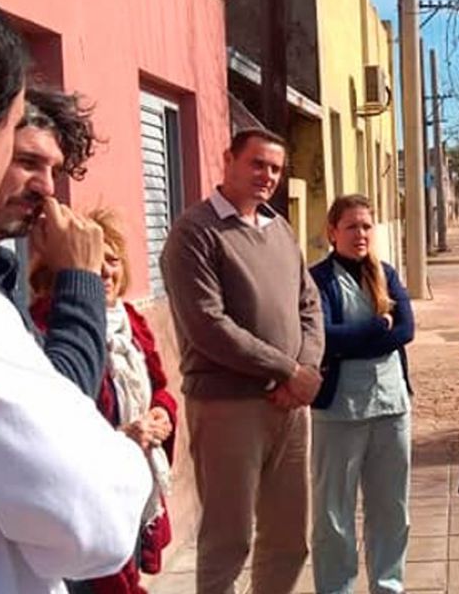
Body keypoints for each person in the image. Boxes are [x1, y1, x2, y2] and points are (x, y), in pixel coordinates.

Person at [0, 0, 151, 593]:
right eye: (22, 157)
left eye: (55, 170)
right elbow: (91, 513)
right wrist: (79, 285)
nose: (46, 190)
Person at [160, 127, 325, 594]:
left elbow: (308, 305)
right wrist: (286, 370)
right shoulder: (194, 233)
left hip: (291, 407)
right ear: (228, 159)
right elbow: (208, 326)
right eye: (257, 163)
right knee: (227, 541)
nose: (267, 175)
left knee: (290, 538)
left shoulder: (279, 228)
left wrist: (305, 371)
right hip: (229, 406)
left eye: (275, 168)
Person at [30, 209, 178, 594]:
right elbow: (58, 421)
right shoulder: (49, 325)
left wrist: (162, 411)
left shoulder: (131, 321)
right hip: (84, 504)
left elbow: (159, 385)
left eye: (112, 260)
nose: (105, 271)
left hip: (132, 488)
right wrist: (122, 435)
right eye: (93, 261)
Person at [0, 84, 106, 398]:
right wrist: (81, 279)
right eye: (28, 162)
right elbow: (62, 405)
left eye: (55, 171)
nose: (46, 188)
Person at [309, 195, 415, 594]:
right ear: (332, 232)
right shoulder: (316, 280)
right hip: (340, 412)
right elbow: (322, 338)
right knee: (333, 516)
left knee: (392, 511)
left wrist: (362, 337)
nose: (360, 234)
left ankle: (388, 586)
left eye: (366, 226)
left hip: (392, 409)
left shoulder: (385, 273)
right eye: (351, 226)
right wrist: (376, 330)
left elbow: (405, 330)